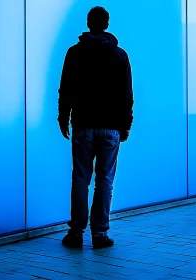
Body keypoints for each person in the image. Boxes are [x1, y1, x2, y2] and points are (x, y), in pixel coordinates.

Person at [57, 6, 134, 249]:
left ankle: (76, 233)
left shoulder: (74, 53)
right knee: (105, 181)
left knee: (80, 180)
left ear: (88, 23)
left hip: (82, 124)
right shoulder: (120, 55)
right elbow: (126, 95)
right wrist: (126, 124)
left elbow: (65, 89)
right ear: (107, 24)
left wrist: (63, 117)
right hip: (110, 126)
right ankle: (100, 234)